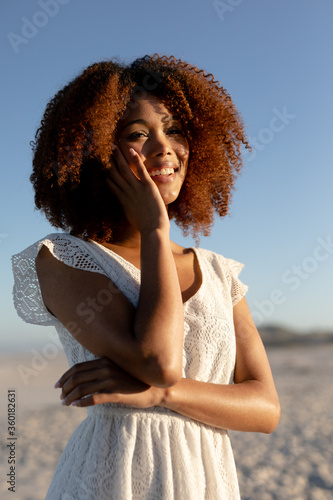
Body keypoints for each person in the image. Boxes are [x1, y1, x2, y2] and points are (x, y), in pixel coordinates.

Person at [12, 54, 280, 499]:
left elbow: (265, 409)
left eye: (174, 130)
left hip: (205, 476)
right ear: (97, 153)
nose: (164, 147)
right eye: (138, 134)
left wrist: (163, 396)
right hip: (113, 476)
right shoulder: (64, 258)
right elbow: (158, 361)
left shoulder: (217, 272)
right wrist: (156, 229)